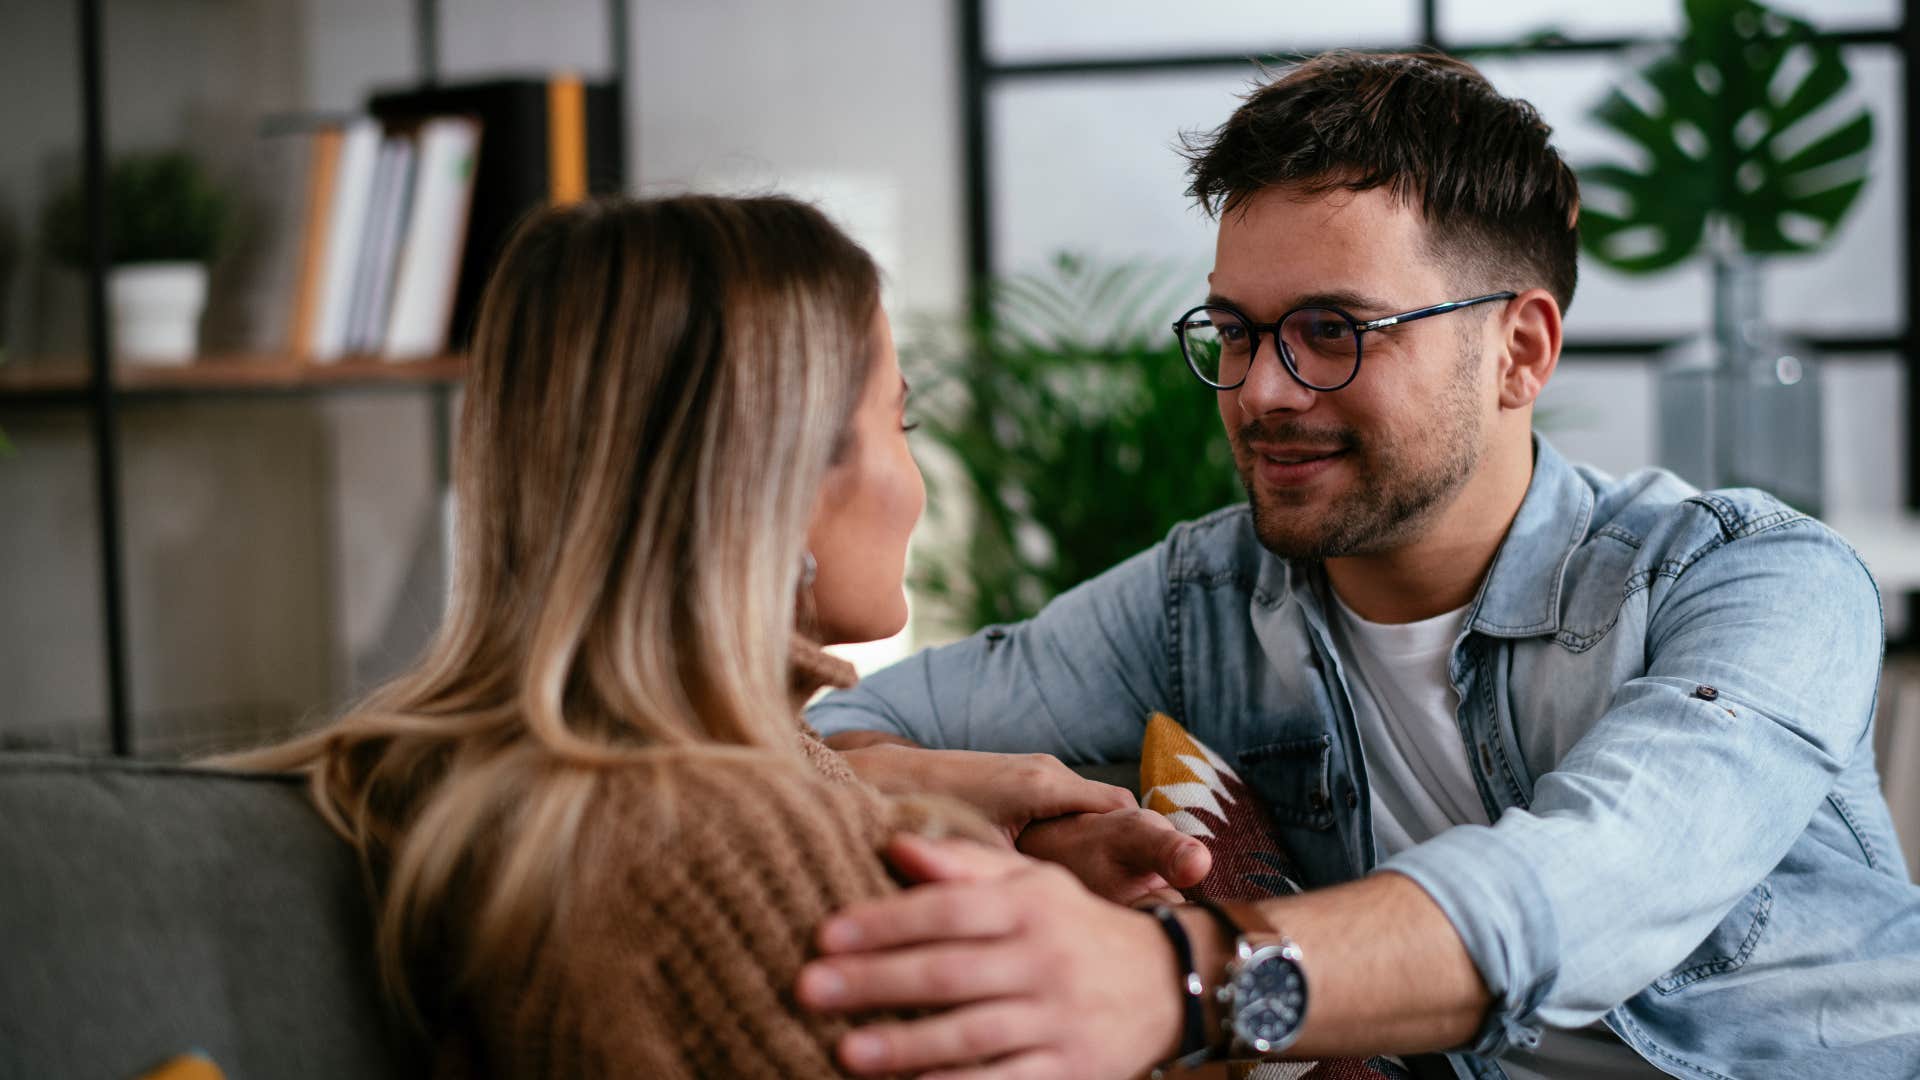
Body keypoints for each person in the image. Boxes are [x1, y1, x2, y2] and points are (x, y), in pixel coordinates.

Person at [805, 51, 1920, 1079]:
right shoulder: (1205, 602)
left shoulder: (1751, 582)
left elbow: (1590, 884)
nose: (1262, 392)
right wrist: (1018, 811)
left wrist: (1180, 979)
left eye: (1333, 328)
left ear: (1518, 352)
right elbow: (822, 742)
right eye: (1236, 332)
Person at [226, 194, 1186, 1077]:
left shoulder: (531, 777)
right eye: (904, 421)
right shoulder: (715, 845)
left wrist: (931, 821)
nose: (916, 477)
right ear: (783, 481)